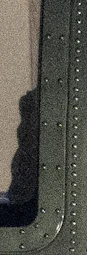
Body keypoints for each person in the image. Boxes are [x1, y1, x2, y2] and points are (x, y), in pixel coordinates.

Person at [0, 88, 39, 226]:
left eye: (27, 122)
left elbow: (21, 203)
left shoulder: (34, 158)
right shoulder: (27, 154)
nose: (20, 130)